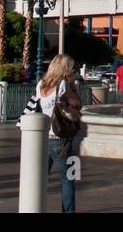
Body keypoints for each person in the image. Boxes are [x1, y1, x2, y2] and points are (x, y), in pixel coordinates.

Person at [30, 54, 83, 213]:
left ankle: (34, 206)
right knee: (69, 179)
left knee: (40, 177)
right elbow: (78, 104)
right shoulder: (63, 85)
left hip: (43, 136)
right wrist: (74, 88)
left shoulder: (41, 84)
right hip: (61, 139)